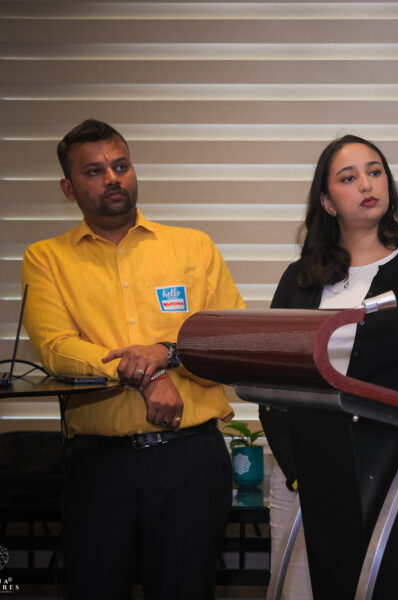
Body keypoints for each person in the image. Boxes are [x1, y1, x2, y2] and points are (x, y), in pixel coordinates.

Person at [21, 119, 246, 599]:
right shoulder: (46, 259)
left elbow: (229, 340)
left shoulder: (193, 247)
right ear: (68, 187)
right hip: (99, 469)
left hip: (189, 460)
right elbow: (57, 347)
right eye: (95, 171)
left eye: (120, 166)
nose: (112, 178)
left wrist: (166, 353)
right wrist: (143, 375)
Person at [258, 134, 398, 598]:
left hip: (393, 476)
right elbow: (272, 381)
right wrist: (298, 468)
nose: (367, 184)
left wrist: (397, 473)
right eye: (348, 178)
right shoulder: (300, 278)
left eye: (375, 171)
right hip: (304, 474)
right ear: (328, 202)